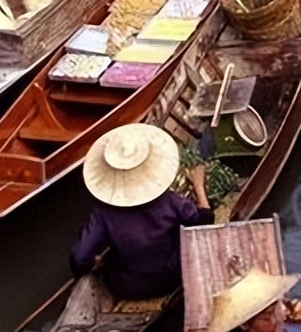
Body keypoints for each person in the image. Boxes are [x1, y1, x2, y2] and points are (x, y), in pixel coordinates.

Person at [70, 124, 213, 300]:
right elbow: (204, 222)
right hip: (174, 275)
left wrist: (94, 263)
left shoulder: (103, 214)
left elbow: (79, 258)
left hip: (130, 287)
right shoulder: (168, 200)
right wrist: (199, 185)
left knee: (109, 266)